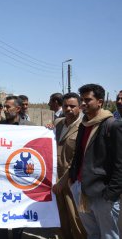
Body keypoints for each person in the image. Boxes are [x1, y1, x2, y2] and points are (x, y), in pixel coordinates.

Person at [68, 84, 122, 239]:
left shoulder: (112, 125)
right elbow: (78, 156)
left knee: (109, 235)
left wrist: (110, 194)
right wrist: (73, 181)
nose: (83, 103)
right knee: (92, 234)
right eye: (82, 100)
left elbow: (120, 165)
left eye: (88, 100)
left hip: (102, 195)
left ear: (99, 102)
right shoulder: (84, 125)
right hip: (81, 189)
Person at [0, 96, 35, 239]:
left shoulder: (31, 127)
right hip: (0, 178)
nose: (5, 109)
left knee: (17, 214)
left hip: (20, 178)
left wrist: (48, 129)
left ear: (18, 109)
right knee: (0, 215)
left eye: (8, 107)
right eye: (5, 106)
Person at [51, 93, 86, 239]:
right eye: (66, 106)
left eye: (72, 106)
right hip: (54, 180)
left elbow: (79, 159)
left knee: (76, 220)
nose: (69, 109)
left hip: (72, 181)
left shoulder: (84, 127)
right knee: (60, 219)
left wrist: (64, 180)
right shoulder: (58, 123)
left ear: (80, 107)